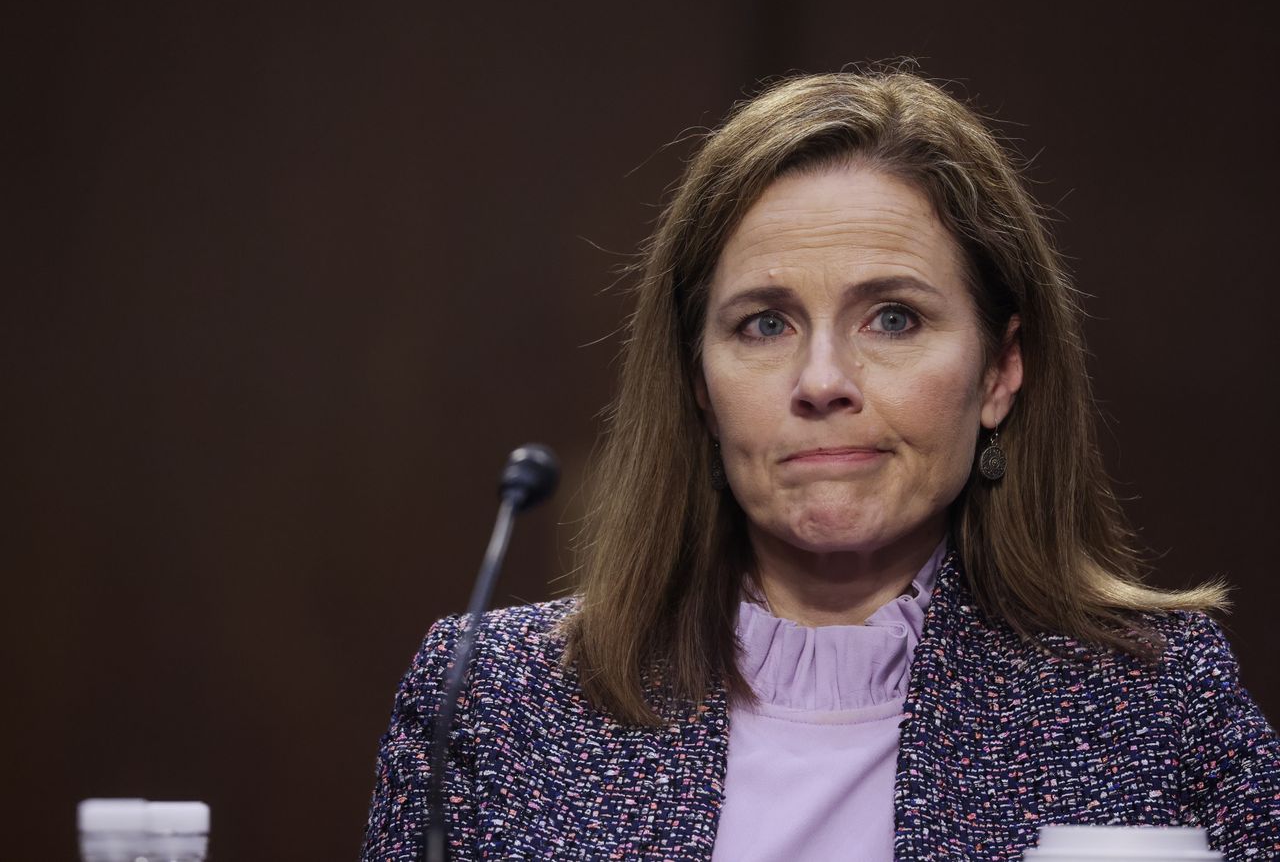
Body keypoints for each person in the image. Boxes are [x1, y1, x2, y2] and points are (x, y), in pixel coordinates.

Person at [360, 70, 1279, 860]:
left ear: (1001, 372)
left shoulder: (1153, 705)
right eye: (765, 323)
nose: (823, 381)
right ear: (697, 383)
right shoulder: (494, 703)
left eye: (893, 318)